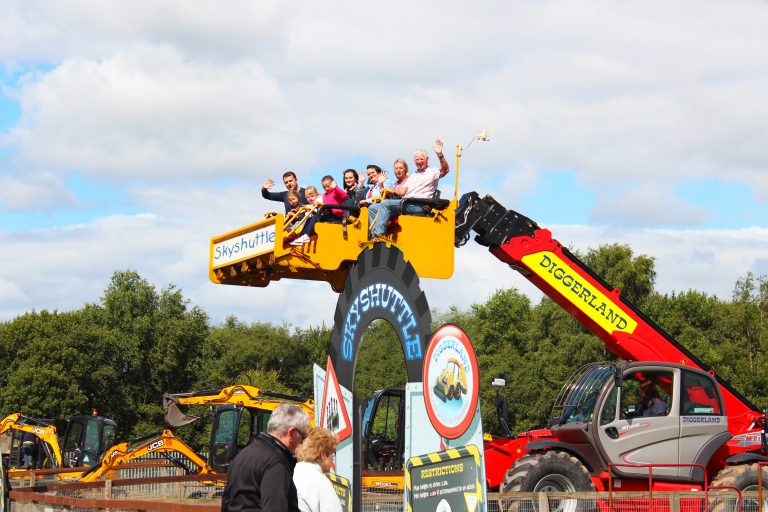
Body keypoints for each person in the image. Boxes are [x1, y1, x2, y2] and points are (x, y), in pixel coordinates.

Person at [221, 403, 310, 512]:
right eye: (303, 436)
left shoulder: (243, 455)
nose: (302, 442)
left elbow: (226, 502)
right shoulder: (277, 462)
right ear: (291, 433)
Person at [367, 140, 449, 240]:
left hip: (419, 205)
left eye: (421, 159)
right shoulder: (413, 176)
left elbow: (445, 170)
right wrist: (384, 188)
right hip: (407, 203)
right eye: (417, 159)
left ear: (427, 159)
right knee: (373, 208)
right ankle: (373, 236)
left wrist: (440, 155)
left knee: (386, 204)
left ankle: (379, 234)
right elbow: (401, 192)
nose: (419, 161)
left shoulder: (432, 172)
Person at [293, 428, 343, 512]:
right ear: (323, 455)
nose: (332, 458)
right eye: (332, 453)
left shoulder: (292, 472)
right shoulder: (321, 483)